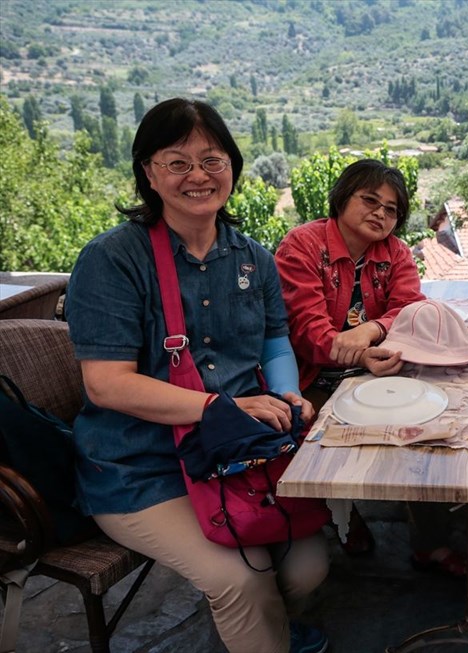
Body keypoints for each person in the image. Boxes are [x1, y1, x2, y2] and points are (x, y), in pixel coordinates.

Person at [66, 98, 330, 653]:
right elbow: (106, 383)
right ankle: (261, 630)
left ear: (232, 166)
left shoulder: (253, 258)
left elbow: (274, 341)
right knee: (243, 579)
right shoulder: (113, 259)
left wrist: (287, 393)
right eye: (177, 162)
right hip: (142, 467)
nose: (198, 176)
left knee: (308, 566)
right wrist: (219, 408)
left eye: (212, 160)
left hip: (236, 453)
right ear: (148, 172)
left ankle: (268, 630)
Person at [275, 159, 467, 577]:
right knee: (315, 438)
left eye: (392, 209)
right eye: (370, 200)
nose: (381, 213)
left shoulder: (395, 252)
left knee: (424, 425)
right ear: (343, 198)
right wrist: (360, 353)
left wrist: (374, 330)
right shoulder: (302, 245)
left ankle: (429, 541)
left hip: (379, 368)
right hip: (313, 376)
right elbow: (307, 331)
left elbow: (409, 307)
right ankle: (343, 516)